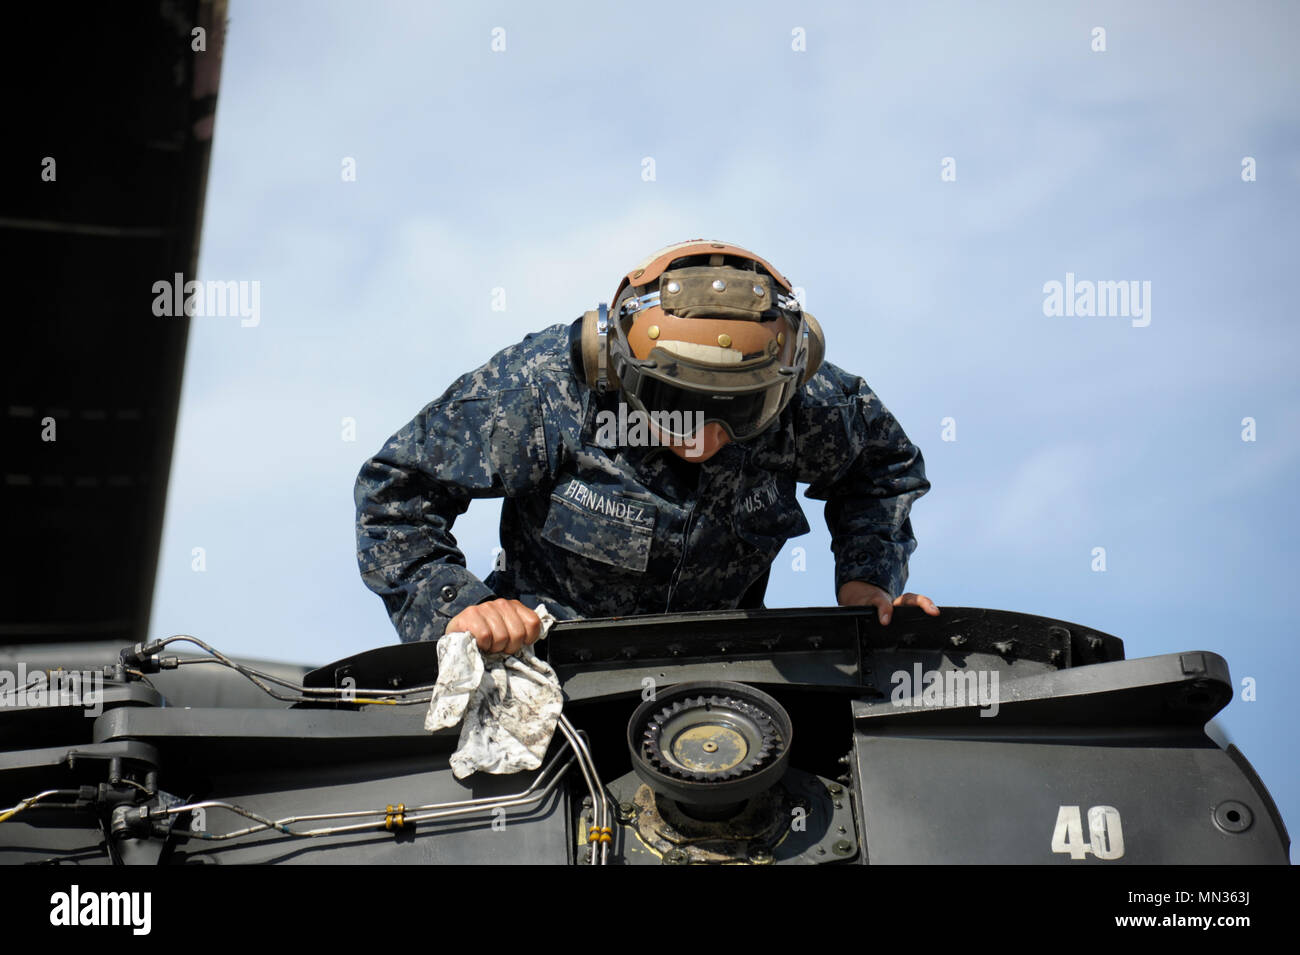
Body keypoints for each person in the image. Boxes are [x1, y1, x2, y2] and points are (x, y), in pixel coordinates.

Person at [354, 240, 939, 654]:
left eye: (737, 411)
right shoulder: (542, 389)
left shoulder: (813, 402)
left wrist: (868, 576)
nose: (703, 437)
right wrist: (457, 604)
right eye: (671, 401)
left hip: (726, 670)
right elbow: (396, 492)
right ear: (616, 367)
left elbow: (881, 471)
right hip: (550, 660)